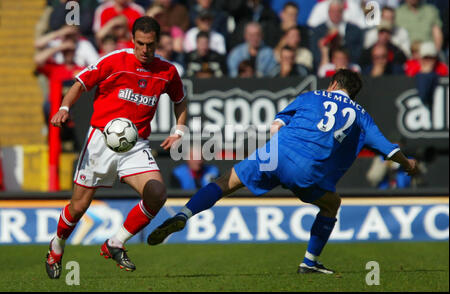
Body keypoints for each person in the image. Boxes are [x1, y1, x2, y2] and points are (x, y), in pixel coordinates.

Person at [147, 69, 418, 274]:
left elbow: (276, 124)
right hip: (306, 169)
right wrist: (409, 166)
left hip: (274, 152)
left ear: (333, 84)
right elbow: (390, 151)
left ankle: (184, 214)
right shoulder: (361, 115)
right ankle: (309, 263)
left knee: (224, 183)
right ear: (352, 93)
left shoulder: (310, 96)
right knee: (332, 203)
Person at [45, 16, 188, 279]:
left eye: (151, 45)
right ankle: (57, 245)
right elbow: (80, 84)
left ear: (157, 43)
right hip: (100, 141)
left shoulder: (167, 71)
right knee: (78, 207)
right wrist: (64, 108)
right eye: (141, 44)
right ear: (132, 40)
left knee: (157, 193)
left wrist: (179, 129)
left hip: (135, 145)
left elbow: (180, 99)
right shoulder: (114, 60)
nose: (145, 50)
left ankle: (115, 242)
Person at [309, 0, 364, 70]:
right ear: (328, 12)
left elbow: (357, 53)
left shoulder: (354, 30)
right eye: (333, 11)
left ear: (343, 12)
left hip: (348, 65)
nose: (335, 14)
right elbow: (315, 55)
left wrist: (341, 41)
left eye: (338, 11)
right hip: (325, 64)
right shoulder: (318, 31)